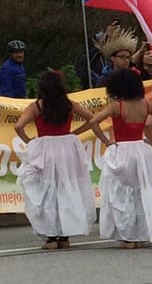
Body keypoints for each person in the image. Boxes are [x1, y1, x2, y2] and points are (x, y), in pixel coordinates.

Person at [14, 69, 105, 249]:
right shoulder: (69, 104)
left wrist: (29, 141)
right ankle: (65, 236)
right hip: (67, 147)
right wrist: (76, 133)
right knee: (67, 188)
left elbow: (18, 126)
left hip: (45, 148)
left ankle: (51, 236)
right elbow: (92, 119)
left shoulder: (37, 106)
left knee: (47, 191)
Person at [86, 68, 152, 249]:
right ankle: (140, 234)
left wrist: (106, 141)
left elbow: (93, 121)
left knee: (121, 193)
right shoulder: (145, 105)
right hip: (141, 149)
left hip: (122, 150)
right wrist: (151, 138)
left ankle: (128, 235)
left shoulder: (117, 105)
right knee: (141, 192)